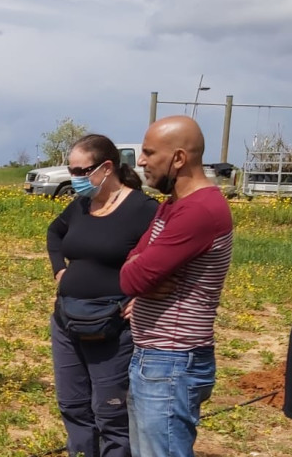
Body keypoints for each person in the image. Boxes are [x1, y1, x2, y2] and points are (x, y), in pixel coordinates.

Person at [119, 115, 233, 457]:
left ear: (179, 158)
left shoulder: (200, 211)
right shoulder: (174, 205)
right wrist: (138, 271)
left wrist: (138, 274)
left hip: (171, 363)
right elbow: (133, 260)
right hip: (156, 360)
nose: (140, 161)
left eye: (150, 153)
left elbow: (130, 278)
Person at [47, 134, 158, 457]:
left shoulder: (142, 209)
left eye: (82, 171)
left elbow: (167, 259)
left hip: (111, 326)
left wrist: (143, 295)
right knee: (73, 405)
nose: (76, 178)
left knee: (110, 411)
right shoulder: (81, 205)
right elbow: (55, 232)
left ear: (106, 167)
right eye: (72, 171)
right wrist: (59, 269)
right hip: (67, 320)